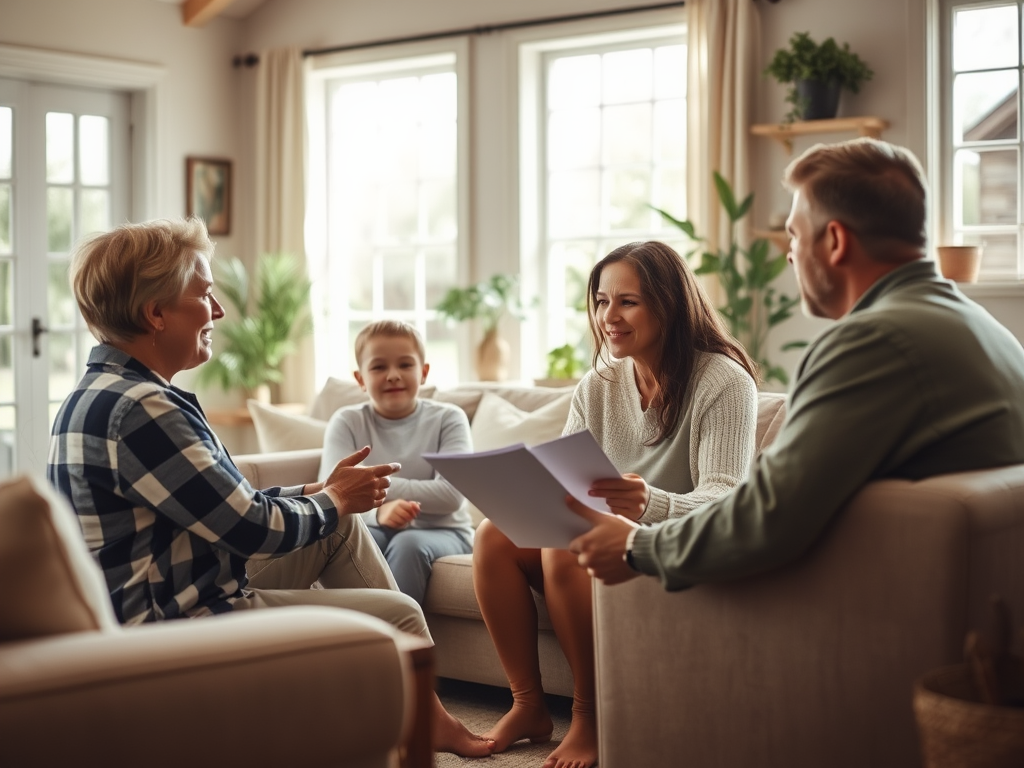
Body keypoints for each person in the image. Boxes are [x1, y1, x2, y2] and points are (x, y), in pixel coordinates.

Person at [47, 217, 493, 758]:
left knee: (338, 525)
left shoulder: (103, 392)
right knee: (399, 617)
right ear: (156, 313)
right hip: (175, 618)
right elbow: (252, 529)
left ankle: (427, 717)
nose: (218, 312)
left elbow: (227, 504)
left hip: (175, 580)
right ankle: (418, 723)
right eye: (205, 295)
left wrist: (321, 492)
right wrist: (331, 499)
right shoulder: (143, 409)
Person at [569, 137, 1024, 592]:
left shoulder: (873, 344)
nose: (789, 254)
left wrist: (638, 550)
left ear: (835, 240)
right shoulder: (984, 330)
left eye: (794, 234)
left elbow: (771, 513)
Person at [473, 240, 759, 768]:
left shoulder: (723, 381)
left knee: (565, 544)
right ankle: (530, 706)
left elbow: (727, 500)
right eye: (602, 302)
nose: (609, 317)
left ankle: (591, 717)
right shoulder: (599, 385)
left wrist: (650, 502)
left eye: (627, 302)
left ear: (669, 304)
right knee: (493, 535)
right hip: (597, 544)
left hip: (669, 549)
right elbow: (563, 477)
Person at [318, 320, 474, 606]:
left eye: (405, 365)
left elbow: (452, 496)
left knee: (408, 544)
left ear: (423, 372)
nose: (393, 375)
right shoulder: (347, 421)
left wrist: (369, 488)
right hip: (372, 525)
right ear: (360, 378)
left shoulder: (449, 419)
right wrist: (378, 514)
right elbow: (332, 494)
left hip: (447, 532)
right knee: (359, 542)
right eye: (378, 367)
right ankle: (354, 640)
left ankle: (405, 646)